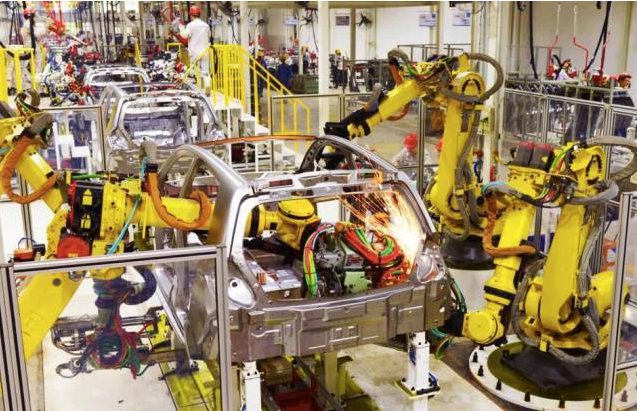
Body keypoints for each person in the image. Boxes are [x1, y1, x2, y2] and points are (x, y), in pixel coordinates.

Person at [178, 6, 211, 75]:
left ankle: (197, 81)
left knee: (195, 73)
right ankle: (206, 81)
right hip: (204, 52)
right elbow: (209, 35)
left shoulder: (190, 25)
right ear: (199, 14)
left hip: (194, 53)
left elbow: (184, 35)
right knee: (205, 73)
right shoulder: (206, 25)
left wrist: (181, 28)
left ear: (191, 15)